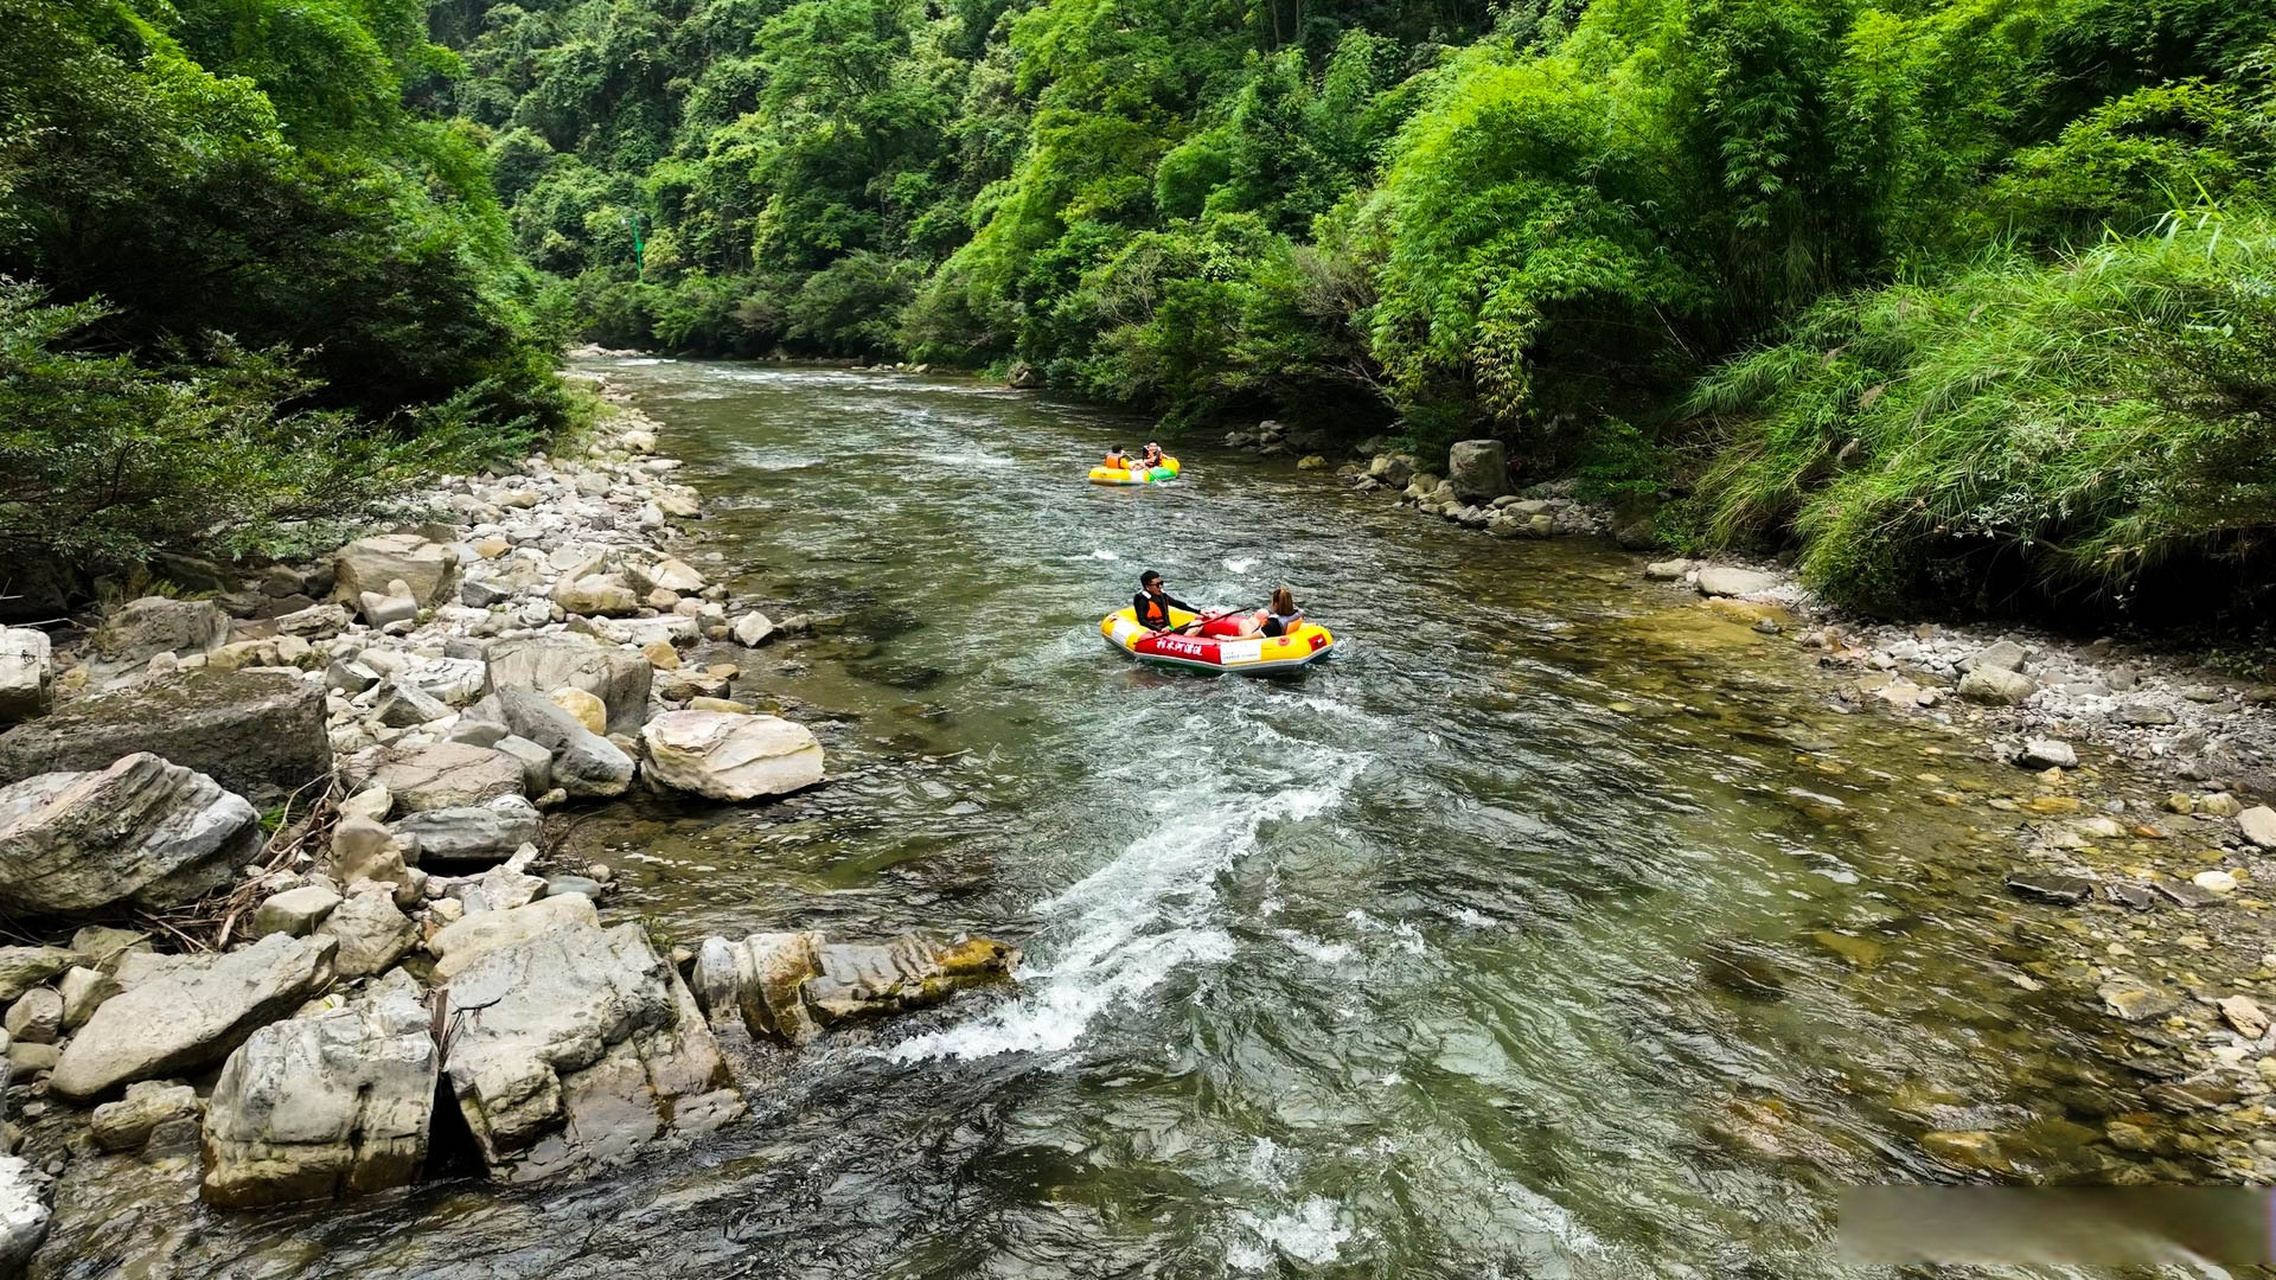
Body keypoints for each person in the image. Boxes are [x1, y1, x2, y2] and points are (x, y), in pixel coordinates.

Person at [1223, 585, 1303, 638]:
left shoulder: (1272, 624)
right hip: (1277, 632)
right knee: (1258, 615)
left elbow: (1250, 639)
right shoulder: (1297, 613)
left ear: (1275, 604)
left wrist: (1228, 639)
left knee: (1244, 623)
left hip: (1262, 641)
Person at [1132, 570, 1196, 633]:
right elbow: (1142, 621)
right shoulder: (1141, 600)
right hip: (1156, 632)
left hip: (1170, 628)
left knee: (1197, 623)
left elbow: (1177, 604)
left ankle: (1185, 639)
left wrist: (1198, 611)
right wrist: (1159, 629)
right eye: (1157, 585)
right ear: (1147, 587)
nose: (1160, 586)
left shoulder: (1162, 595)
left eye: (1161, 583)